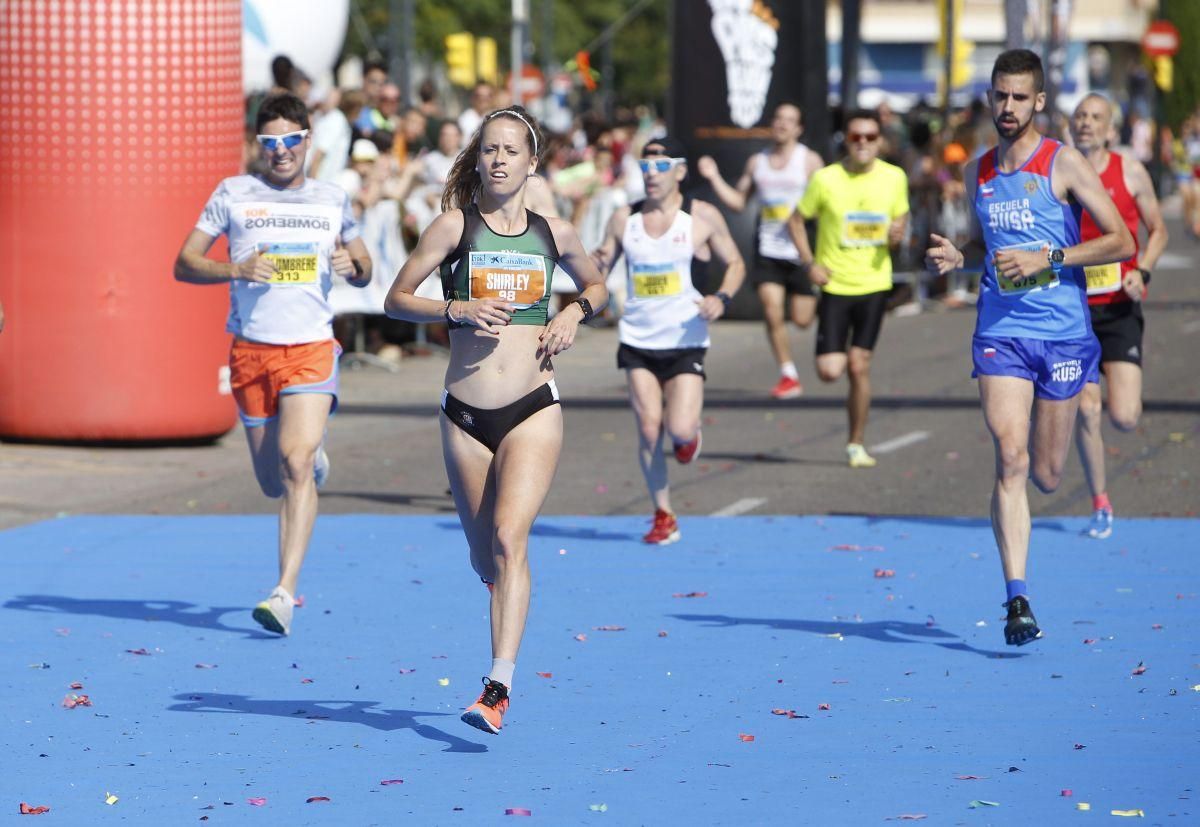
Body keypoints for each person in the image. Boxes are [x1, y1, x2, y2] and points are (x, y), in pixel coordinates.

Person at [384, 106, 607, 735]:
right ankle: (501, 593)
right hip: (463, 414)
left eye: (512, 150)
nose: (500, 159)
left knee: (512, 540)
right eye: (490, 150)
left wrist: (573, 313)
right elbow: (396, 299)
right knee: (486, 557)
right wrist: (457, 309)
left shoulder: (554, 232)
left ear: (532, 163)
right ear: (477, 160)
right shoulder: (454, 226)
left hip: (534, 405)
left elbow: (598, 285)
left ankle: (497, 686)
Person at [926, 51, 1134, 646]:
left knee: (1045, 473)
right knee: (1010, 458)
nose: (1008, 108)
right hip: (1001, 332)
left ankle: (1039, 532)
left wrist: (1051, 257)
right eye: (1000, 97)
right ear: (990, 99)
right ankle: (1017, 598)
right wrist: (959, 254)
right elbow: (981, 235)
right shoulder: (978, 171)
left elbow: (1119, 238)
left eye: (1020, 98)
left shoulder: (1062, 164)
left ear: (1039, 101)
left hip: (1064, 332)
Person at [174, 93, 373, 636]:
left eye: (290, 140)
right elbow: (184, 263)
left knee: (296, 463)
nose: (281, 151)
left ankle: (284, 592)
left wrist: (351, 265)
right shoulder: (234, 194)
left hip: (310, 349)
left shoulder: (332, 198)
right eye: (270, 143)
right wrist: (237, 268)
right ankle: (308, 458)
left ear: (308, 140)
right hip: (251, 352)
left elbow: (365, 266)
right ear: (257, 146)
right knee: (270, 482)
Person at [591, 136, 746, 544]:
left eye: (661, 167)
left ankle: (688, 437)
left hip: (685, 337)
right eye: (645, 168)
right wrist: (593, 264)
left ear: (679, 171)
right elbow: (602, 261)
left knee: (678, 428)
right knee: (647, 428)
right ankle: (663, 514)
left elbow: (735, 263)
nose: (651, 175)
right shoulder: (625, 218)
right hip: (638, 337)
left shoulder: (701, 216)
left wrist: (721, 297)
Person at [1068, 93, 1168, 539]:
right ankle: (1100, 501)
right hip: (1074, 310)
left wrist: (1142, 270)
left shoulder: (1129, 171)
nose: (1086, 124)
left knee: (1124, 417)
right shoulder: (1058, 171)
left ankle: (1116, 384)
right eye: (1080, 117)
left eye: (1096, 118)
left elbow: (1158, 228)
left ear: (1111, 130)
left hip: (1121, 306)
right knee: (1087, 408)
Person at [786, 109, 910, 468]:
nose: (863, 144)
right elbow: (796, 220)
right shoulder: (826, 179)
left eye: (870, 137)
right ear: (846, 139)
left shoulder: (894, 177)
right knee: (829, 371)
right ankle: (852, 430)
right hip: (836, 284)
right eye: (856, 137)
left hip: (874, 282)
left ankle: (856, 442)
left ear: (880, 141)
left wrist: (897, 233)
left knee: (859, 364)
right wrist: (810, 263)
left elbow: (899, 216)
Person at [697, 102, 824, 399]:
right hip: (768, 248)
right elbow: (739, 202)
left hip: (802, 250)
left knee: (803, 319)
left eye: (789, 120)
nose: (782, 124)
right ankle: (788, 373)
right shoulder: (758, 162)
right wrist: (714, 176)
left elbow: (827, 200)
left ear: (799, 128)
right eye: (778, 118)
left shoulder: (810, 161)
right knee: (771, 310)